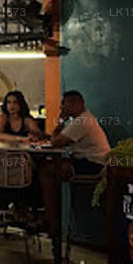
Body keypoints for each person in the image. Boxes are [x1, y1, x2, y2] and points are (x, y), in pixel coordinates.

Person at [38, 91, 112, 243]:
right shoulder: (83, 119)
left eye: (64, 104)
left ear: (75, 104)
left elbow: (56, 142)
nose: (62, 108)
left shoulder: (82, 122)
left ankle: (51, 221)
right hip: (88, 161)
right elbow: (60, 138)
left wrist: (60, 121)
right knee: (50, 169)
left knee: (48, 172)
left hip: (94, 165)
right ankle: (52, 219)